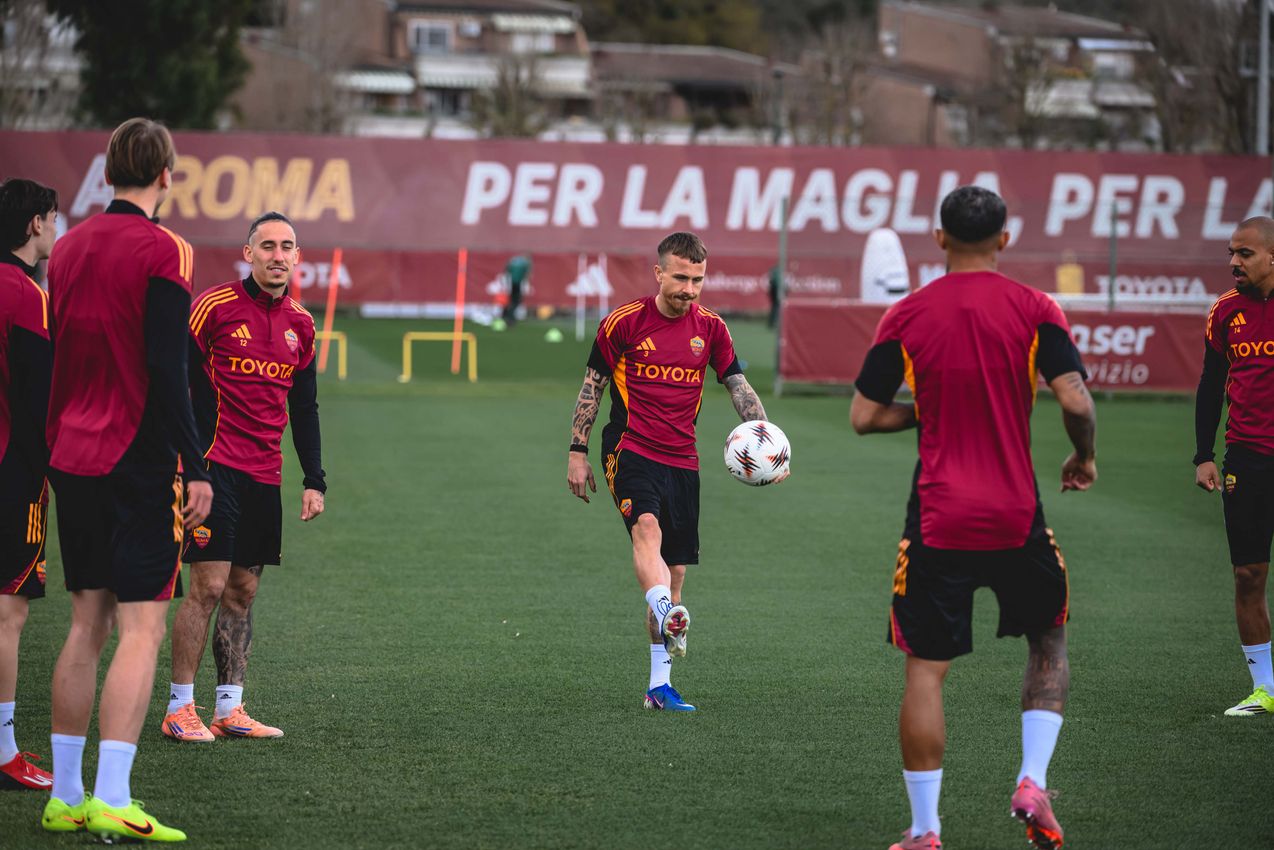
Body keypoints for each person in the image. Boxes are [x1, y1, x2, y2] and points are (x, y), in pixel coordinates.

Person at [851, 186, 1096, 850]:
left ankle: (927, 831)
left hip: (938, 516)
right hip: (1017, 513)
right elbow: (1075, 399)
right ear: (1005, 240)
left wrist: (924, 412)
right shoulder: (1036, 308)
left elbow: (865, 417)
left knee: (926, 670)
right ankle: (1031, 780)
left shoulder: (906, 315)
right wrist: (1084, 455)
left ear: (938, 238)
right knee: (1047, 642)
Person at [41, 117, 212, 843]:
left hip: (69, 453)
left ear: (107, 172)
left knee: (86, 624)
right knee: (142, 626)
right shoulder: (165, 247)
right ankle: (113, 794)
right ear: (167, 175)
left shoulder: (68, 244)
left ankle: (66, 795)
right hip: (136, 454)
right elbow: (168, 368)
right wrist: (196, 462)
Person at [567, 231, 779, 712]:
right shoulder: (623, 322)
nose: (690, 289)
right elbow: (591, 387)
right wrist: (577, 450)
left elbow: (737, 386)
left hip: (683, 458)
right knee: (646, 530)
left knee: (674, 572)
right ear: (658, 273)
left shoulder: (713, 329)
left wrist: (769, 444)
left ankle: (658, 686)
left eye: (698, 279)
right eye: (681, 277)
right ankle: (667, 612)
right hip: (629, 447)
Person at [161, 211, 325, 742]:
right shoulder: (214, 306)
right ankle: (179, 707)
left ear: (297, 257)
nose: (278, 254)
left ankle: (228, 708)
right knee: (206, 587)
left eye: (288, 246)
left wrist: (314, 477)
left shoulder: (302, 323)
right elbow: (172, 377)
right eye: (268, 245)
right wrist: (185, 459)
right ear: (248, 252)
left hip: (264, 475)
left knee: (243, 591)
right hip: (212, 470)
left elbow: (305, 406)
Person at [1194, 215, 1274, 718]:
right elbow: (1209, 385)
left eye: (1244, 253)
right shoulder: (1224, 312)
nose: (1233, 262)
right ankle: (1265, 690)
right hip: (1245, 455)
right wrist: (1204, 454)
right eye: (1231, 252)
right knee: (1248, 573)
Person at [0, 178, 56, 790]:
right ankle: (3, 750)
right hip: (12, 473)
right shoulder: (25, 292)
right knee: (7, 612)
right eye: (53, 220)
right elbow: (37, 399)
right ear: (36, 223)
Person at [502, 253, 531, 326]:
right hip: (517, 284)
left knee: (512, 301)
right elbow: (527, 274)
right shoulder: (525, 264)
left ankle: (506, 316)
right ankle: (510, 318)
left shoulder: (514, 261)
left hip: (511, 283)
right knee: (515, 302)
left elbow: (506, 269)